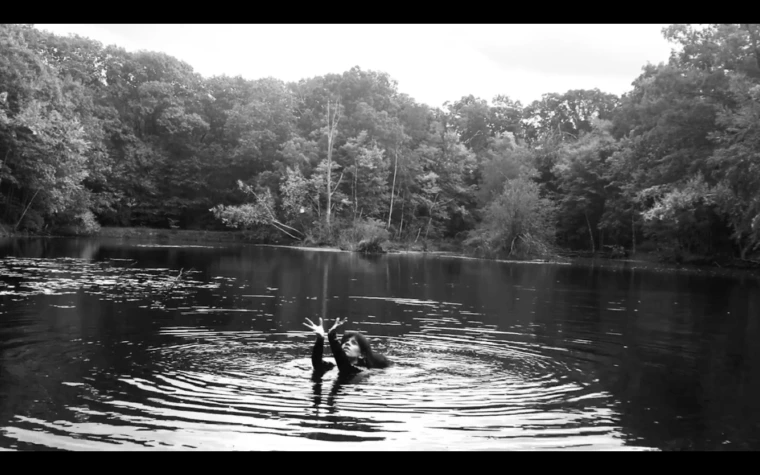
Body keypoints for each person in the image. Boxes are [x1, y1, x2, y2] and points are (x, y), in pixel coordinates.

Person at [303, 317, 391, 377]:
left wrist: (331, 335)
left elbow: (344, 366)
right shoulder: (334, 365)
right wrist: (320, 338)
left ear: (361, 355)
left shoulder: (361, 371)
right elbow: (317, 364)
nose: (347, 344)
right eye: (345, 342)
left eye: (354, 343)